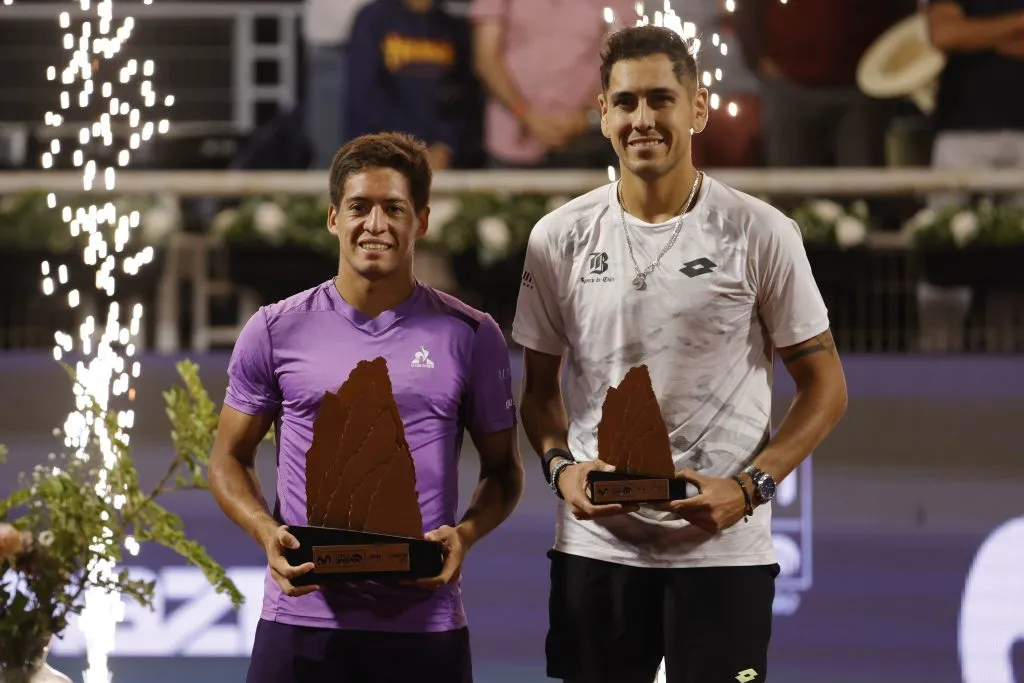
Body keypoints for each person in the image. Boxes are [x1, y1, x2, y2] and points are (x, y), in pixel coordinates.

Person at [512, 26, 848, 683]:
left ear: (696, 108)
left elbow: (826, 385)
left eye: (661, 100)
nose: (643, 119)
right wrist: (561, 471)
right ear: (603, 112)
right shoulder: (557, 238)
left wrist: (751, 486)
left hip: (724, 553)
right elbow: (537, 391)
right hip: (596, 553)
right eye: (627, 102)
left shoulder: (762, 232)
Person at [209, 131, 525, 683]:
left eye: (393, 209)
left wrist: (465, 536)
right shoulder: (274, 328)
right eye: (359, 207)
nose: (375, 225)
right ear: (333, 217)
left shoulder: (472, 334)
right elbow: (227, 458)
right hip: (299, 624)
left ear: (421, 221)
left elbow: (505, 471)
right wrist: (265, 531)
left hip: (425, 629)